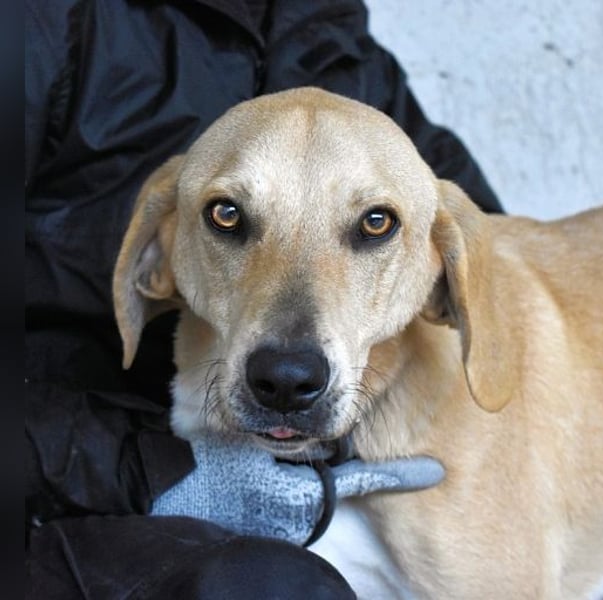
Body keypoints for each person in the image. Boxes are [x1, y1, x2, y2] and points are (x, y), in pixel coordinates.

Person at [25, 1, 503, 597]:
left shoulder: (312, 20)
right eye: (230, 216)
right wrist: (144, 469)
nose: (290, 370)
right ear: (152, 253)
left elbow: (468, 228)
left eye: (372, 224)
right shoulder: (42, 24)